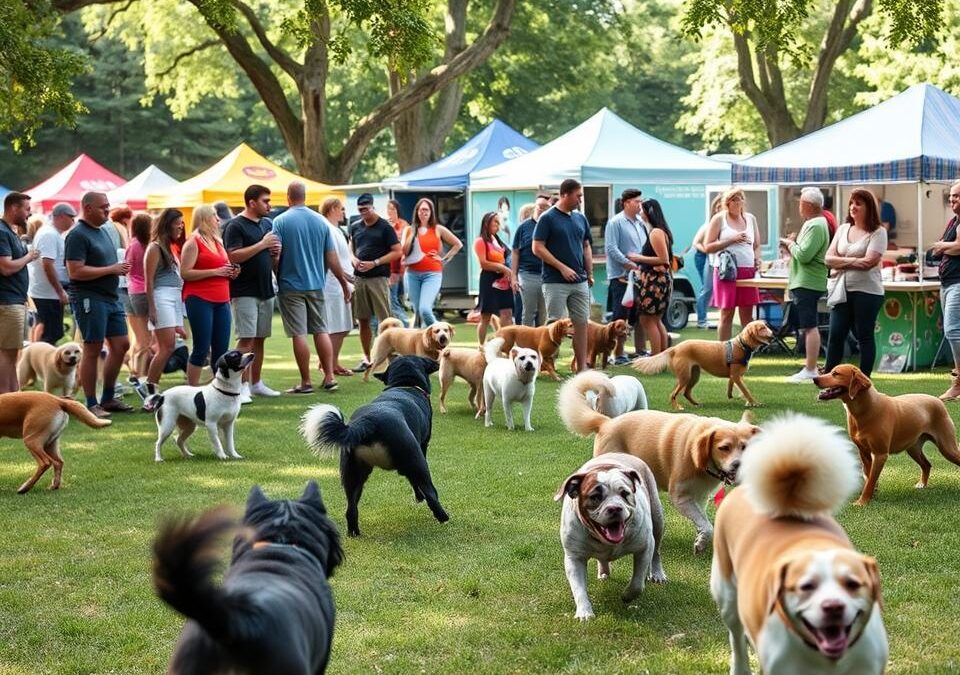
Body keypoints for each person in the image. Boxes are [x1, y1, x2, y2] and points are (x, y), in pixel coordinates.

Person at [272, 181, 352, 393]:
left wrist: (275, 273)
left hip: (290, 285)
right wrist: (343, 282)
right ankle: (329, 376)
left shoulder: (279, 222)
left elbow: (276, 254)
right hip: (317, 284)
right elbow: (332, 257)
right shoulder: (321, 222)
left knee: (299, 333)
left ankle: (306, 382)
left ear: (288, 197)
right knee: (321, 330)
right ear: (305, 197)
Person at [64, 191, 132, 417]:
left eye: (108, 206)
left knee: (122, 345)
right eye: (103, 206)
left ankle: (108, 397)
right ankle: (91, 403)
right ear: (88, 208)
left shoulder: (103, 231)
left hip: (110, 297)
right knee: (92, 348)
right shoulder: (77, 235)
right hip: (89, 297)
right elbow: (75, 271)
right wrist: (111, 270)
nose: (107, 210)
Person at [224, 184, 282, 403]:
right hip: (244, 290)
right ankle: (240, 386)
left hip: (265, 288)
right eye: (265, 201)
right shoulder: (235, 226)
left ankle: (256, 383)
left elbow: (270, 257)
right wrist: (262, 244)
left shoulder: (267, 223)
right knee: (245, 340)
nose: (269, 205)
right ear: (251, 202)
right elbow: (233, 256)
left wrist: (275, 254)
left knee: (260, 339)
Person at [824, 188, 888, 380]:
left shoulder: (878, 232)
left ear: (869, 208)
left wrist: (841, 262)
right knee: (835, 335)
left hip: (868, 292)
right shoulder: (843, 229)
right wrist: (854, 262)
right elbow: (827, 259)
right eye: (851, 203)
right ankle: (829, 380)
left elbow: (869, 263)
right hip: (841, 290)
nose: (853, 207)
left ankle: (864, 381)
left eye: (858, 203)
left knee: (864, 336)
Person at [532, 178, 593, 372]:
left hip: (580, 281)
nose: (580, 200)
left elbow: (586, 245)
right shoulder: (548, 218)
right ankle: (548, 365)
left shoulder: (580, 218)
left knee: (582, 324)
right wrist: (562, 267)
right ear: (565, 194)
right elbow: (537, 247)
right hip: (555, 281)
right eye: (578, 196)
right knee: (554, 324)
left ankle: (582, 367)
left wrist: (589, 273)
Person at [180, 205, 238, 386]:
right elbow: (185, 273)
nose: (218, 219)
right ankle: (192, 389)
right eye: (214, 216)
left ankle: (219, 388)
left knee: (221, 349)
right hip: (199, 298)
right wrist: (216, 272)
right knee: (202, 347)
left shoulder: (217, 240)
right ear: (204, 218)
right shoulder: (193, 242)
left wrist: (232, 272)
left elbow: (223, 268)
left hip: (222, 299)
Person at [781, 187, 831, 383]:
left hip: (808, 282)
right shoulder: (815, 223)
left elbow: (804, 254)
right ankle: (809, 366)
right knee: (808, 325)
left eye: (801, 202)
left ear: (809, 205)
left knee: (810, 326)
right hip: (806, 280)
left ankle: (810, 368)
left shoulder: (816, 225)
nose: (799, 206)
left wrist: (789, 244)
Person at [348, 193, 401, 372]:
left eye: (366, 209)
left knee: (385, 320)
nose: (363, 213)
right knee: (362, 319)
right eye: (360, 210)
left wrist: (375, 262)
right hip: (360, 278)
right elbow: (351, 244)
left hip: (378, 278)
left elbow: (397, 251)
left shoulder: (385, 227)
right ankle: (367, 358)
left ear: (373, 207)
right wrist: (353, 258)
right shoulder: (355, 226)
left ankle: (391, 359)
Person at [141, 209, 186, 411]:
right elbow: (148, 281)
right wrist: (152, 308)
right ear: (168, 224)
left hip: (173, 299)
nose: (181, 226)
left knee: (168, 347)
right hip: (161, 298)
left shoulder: (169, 247)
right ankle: (150, 390)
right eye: (178, 223)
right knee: (166, 347)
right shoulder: (155, 248)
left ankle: (150, 388)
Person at [704, 187, 761, 342]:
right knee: (726, 313)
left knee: (747, 315)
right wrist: (731, 240)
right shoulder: (719, 219)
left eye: (739, 199)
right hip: (726, 271)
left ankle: (746, 352)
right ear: (727, 203)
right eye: (733, 200)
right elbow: (707, 246)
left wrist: (757, 260)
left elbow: (756, 245)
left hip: (747, 271)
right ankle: (722, 352)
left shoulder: (750, 218)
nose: (737, 202)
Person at [401, 197, 462, 327]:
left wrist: (444, 259)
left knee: (425, 309)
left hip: (432, 274)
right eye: (421, 209)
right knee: (418, 311)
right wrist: (413, 233)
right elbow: (403, 252)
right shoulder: (409, 230)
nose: (423, 212)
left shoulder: (438, 229)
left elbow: (458, 244)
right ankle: (425, 342)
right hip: (412, 274)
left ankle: (441, 332)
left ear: (431, 212)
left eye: (426, 210)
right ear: (417, 211)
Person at [604, 188, 648, 364]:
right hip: (621, 277)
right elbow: (611, 248)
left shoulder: (640, 223)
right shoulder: (615, 222)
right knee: (620, 316)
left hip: (639, 276)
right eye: (637, 202)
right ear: (626, 203)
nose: (640, 205)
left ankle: (640, 350)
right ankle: (618, 353)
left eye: (640, 201)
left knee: (639, 314)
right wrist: (628, 263)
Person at [0, 192, 39, 393]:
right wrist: (29, 256)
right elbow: (6, 267)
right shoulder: (2, 232)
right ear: (14, 208)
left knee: (11, 353)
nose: (29, 213)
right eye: (26, 209)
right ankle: (7, 402)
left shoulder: (10, 231)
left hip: (13, 300)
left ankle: (14, 397)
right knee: (7, 355)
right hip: (7, 302)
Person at [29, 202, 74, 345]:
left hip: (48, 292)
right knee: (50, 334)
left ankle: (37, 362)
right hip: (48, 294)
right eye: (71, 217)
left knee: (51, 332)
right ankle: (39, 364)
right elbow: (47, 265)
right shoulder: (49, 234)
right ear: (61, 216)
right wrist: (60, 291)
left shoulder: (51, 233)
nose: (73, 221)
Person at [320, 198, 355, 377]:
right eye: (341, 209)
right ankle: (328, 364)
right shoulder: (328, 229)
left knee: (344, 326)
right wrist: (345, 278)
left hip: (342, 284)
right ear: (332, 208)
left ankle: (333, 362)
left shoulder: (336, 230)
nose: (343, 213)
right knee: (335, 326)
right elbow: (330, 258)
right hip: (333, 285)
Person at [634, 199, 673, 355]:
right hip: (659, 281)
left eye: (642, 209)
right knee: (655, 320)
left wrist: (638, 258)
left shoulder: (656, 232)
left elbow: (663, 259)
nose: (639, 212)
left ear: (649, 212)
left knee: (648, 320)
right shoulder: (660, 231)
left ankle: (655, 357)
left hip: (654, 282)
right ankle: (661, 357)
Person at [933, 180, 960, 400]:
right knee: (952, 331)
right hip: (947, 283)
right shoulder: (954, 221)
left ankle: (958, 382)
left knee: (952, 330)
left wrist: (943, 246)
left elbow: (958, 247)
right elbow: (942, 246)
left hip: (958, 283)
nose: (952, 199)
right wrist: (944, 247)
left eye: (956, 196)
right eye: (951, 196)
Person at [474, 211, 515, 344]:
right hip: (489, 280)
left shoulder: (498, 241)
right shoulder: (480, 241)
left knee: (507, 312)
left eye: (499, 222)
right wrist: (502, 268)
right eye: (495, 221)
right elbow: (483, 263)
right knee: (486, 316)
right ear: (487, 223)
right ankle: (481, 345)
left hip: (504, 280)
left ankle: (506, 344)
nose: (498, 225)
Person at [512, 192, 551, 328]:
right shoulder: (524, 227)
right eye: (540, 206)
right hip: (527, 274)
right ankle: (524, 346)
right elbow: (515, 252)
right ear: (535, 207)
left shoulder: (551, 225)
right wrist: (513, 277)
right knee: (528, 312)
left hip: (547, 275)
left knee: (544, 313)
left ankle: (542, 346)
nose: (542, 209)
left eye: (546, 207)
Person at [125, 213, 153, 381]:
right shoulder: (147, 245)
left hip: (131, 291)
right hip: (143, 292)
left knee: (138, 337)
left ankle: (135, 370)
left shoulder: (133, 245)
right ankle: (142, 375)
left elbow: (128, 267)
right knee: (145, 339)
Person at [692, 196, 723, 331]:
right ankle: (702, 320)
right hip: (704, 256)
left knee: (710, 289)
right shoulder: (709, 224)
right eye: (718, 206)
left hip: (714, 258)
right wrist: (708, 250)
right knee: (706, 289)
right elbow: (696, 243)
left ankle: (707, 319)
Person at [385, 199, 409, 327]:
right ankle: (401, 325)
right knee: (392, 299)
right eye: (388, 208)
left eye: (393, 209)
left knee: (393, 299)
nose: (390, 211)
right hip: (388, 267)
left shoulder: (403, 225)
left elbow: (402, 247)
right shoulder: (386, 224)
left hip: (398, 267)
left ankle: (405, 323)